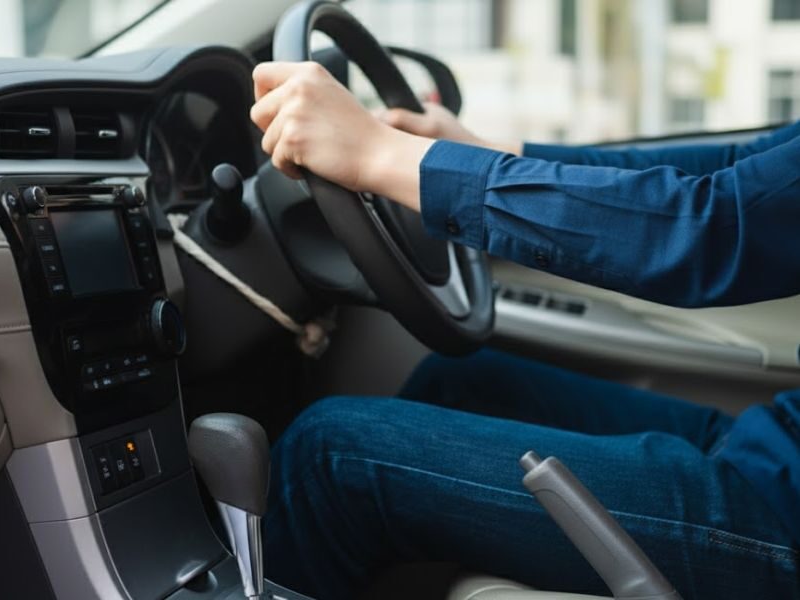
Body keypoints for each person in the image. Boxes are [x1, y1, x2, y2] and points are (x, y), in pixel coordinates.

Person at [249, 61, 800, 600]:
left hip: (783, 517)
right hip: (780, 449)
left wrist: (380, 155)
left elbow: (711, 227)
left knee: (329, 457)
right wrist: (488, 157)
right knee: (465, 381)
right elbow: (740, 169)